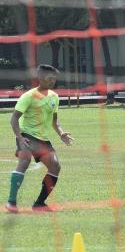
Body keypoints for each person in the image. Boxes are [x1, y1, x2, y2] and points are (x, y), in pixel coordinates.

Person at [5, 64, 74, 213]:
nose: (53, 82)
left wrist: (61, 133)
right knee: (24, 161)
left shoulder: (54, 97)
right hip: (26, 135)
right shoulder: (28, 96)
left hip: (42, 139)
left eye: (54, 79)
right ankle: (11, 202)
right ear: (40, 78)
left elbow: (55, 120)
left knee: (55, 166)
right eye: (50, 79)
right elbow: (14, 119)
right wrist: (19, 137)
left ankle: (39, 204)